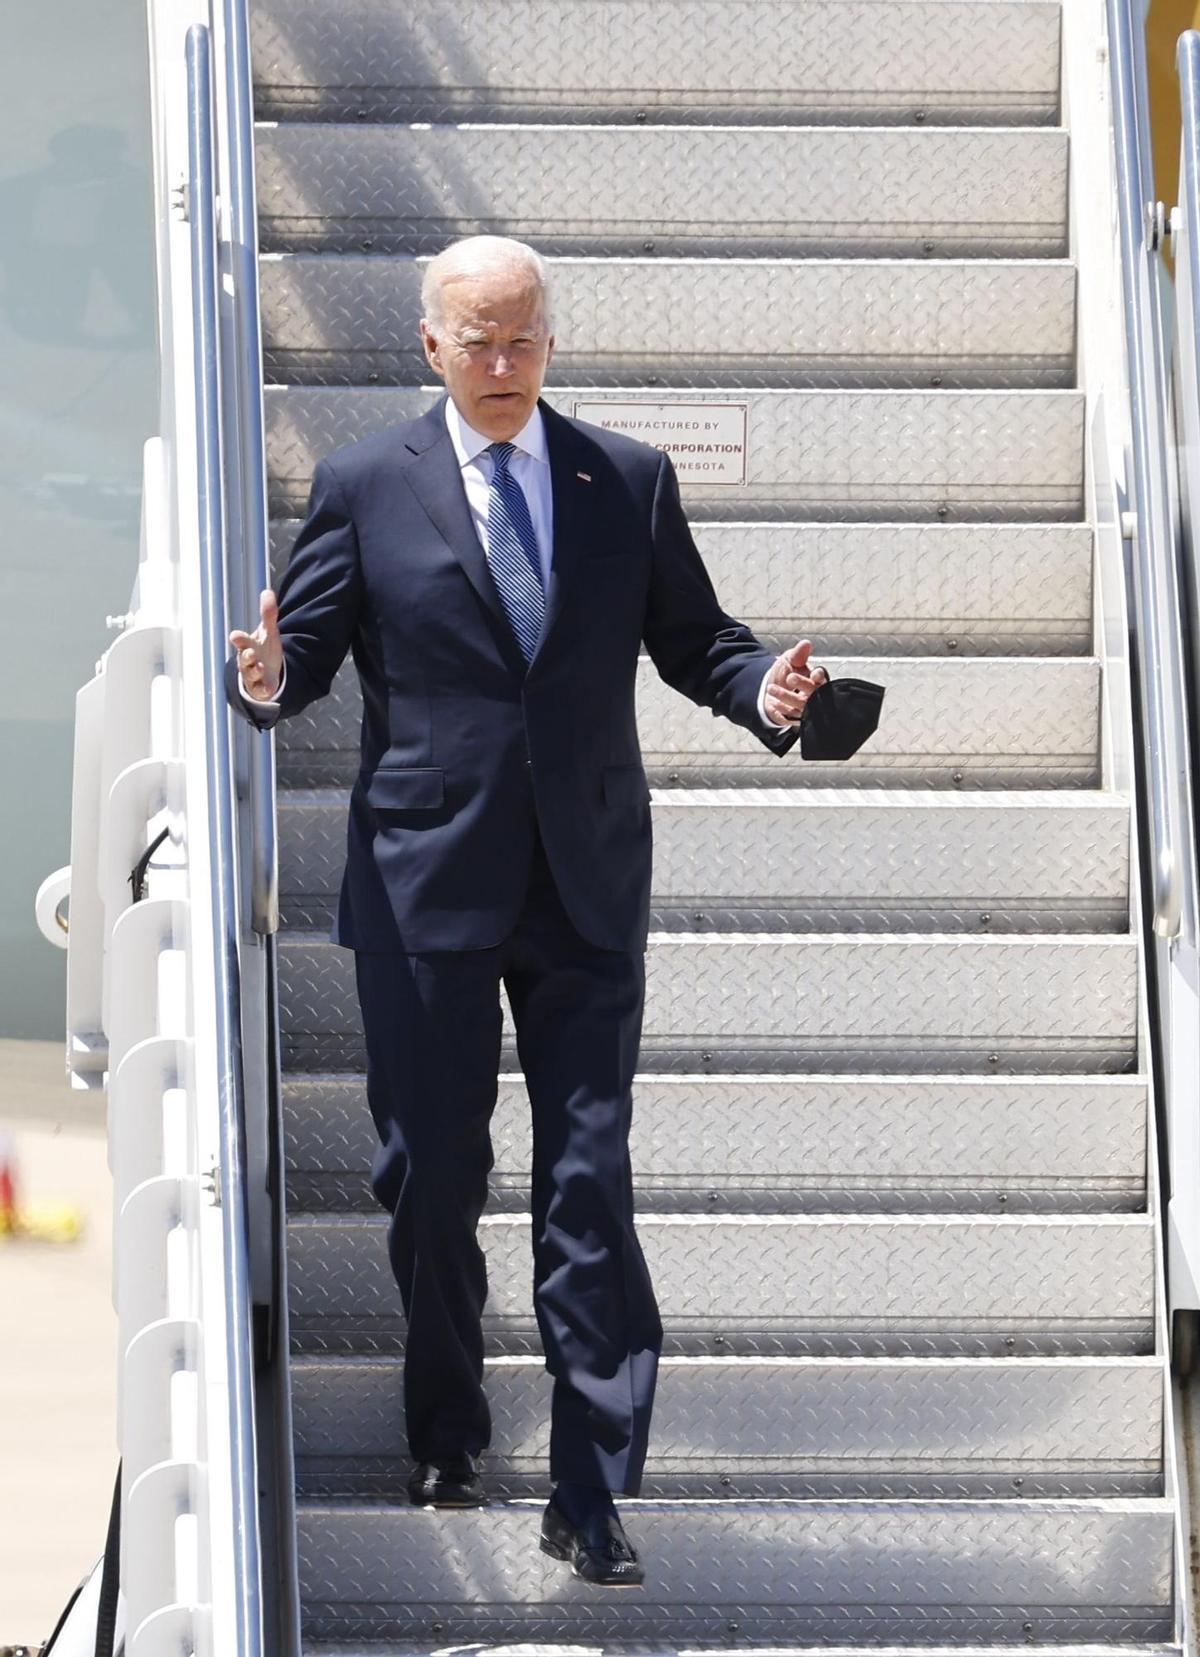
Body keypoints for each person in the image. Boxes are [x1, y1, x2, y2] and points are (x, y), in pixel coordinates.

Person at [226, 234, 828, 1587]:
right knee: (431, 1178)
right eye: (477, 341)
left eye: (525, 341)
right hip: (424, 880)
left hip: (586, 883)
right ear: (429, 345)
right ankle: (444, 1423)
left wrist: (762, 693)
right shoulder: (366, 483)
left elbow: (698, 641)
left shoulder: (624, 478)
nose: (503, 367)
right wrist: (264, 679)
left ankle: (589, 1485)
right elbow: (304, 661)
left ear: (552, 342)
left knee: (585, 1184)